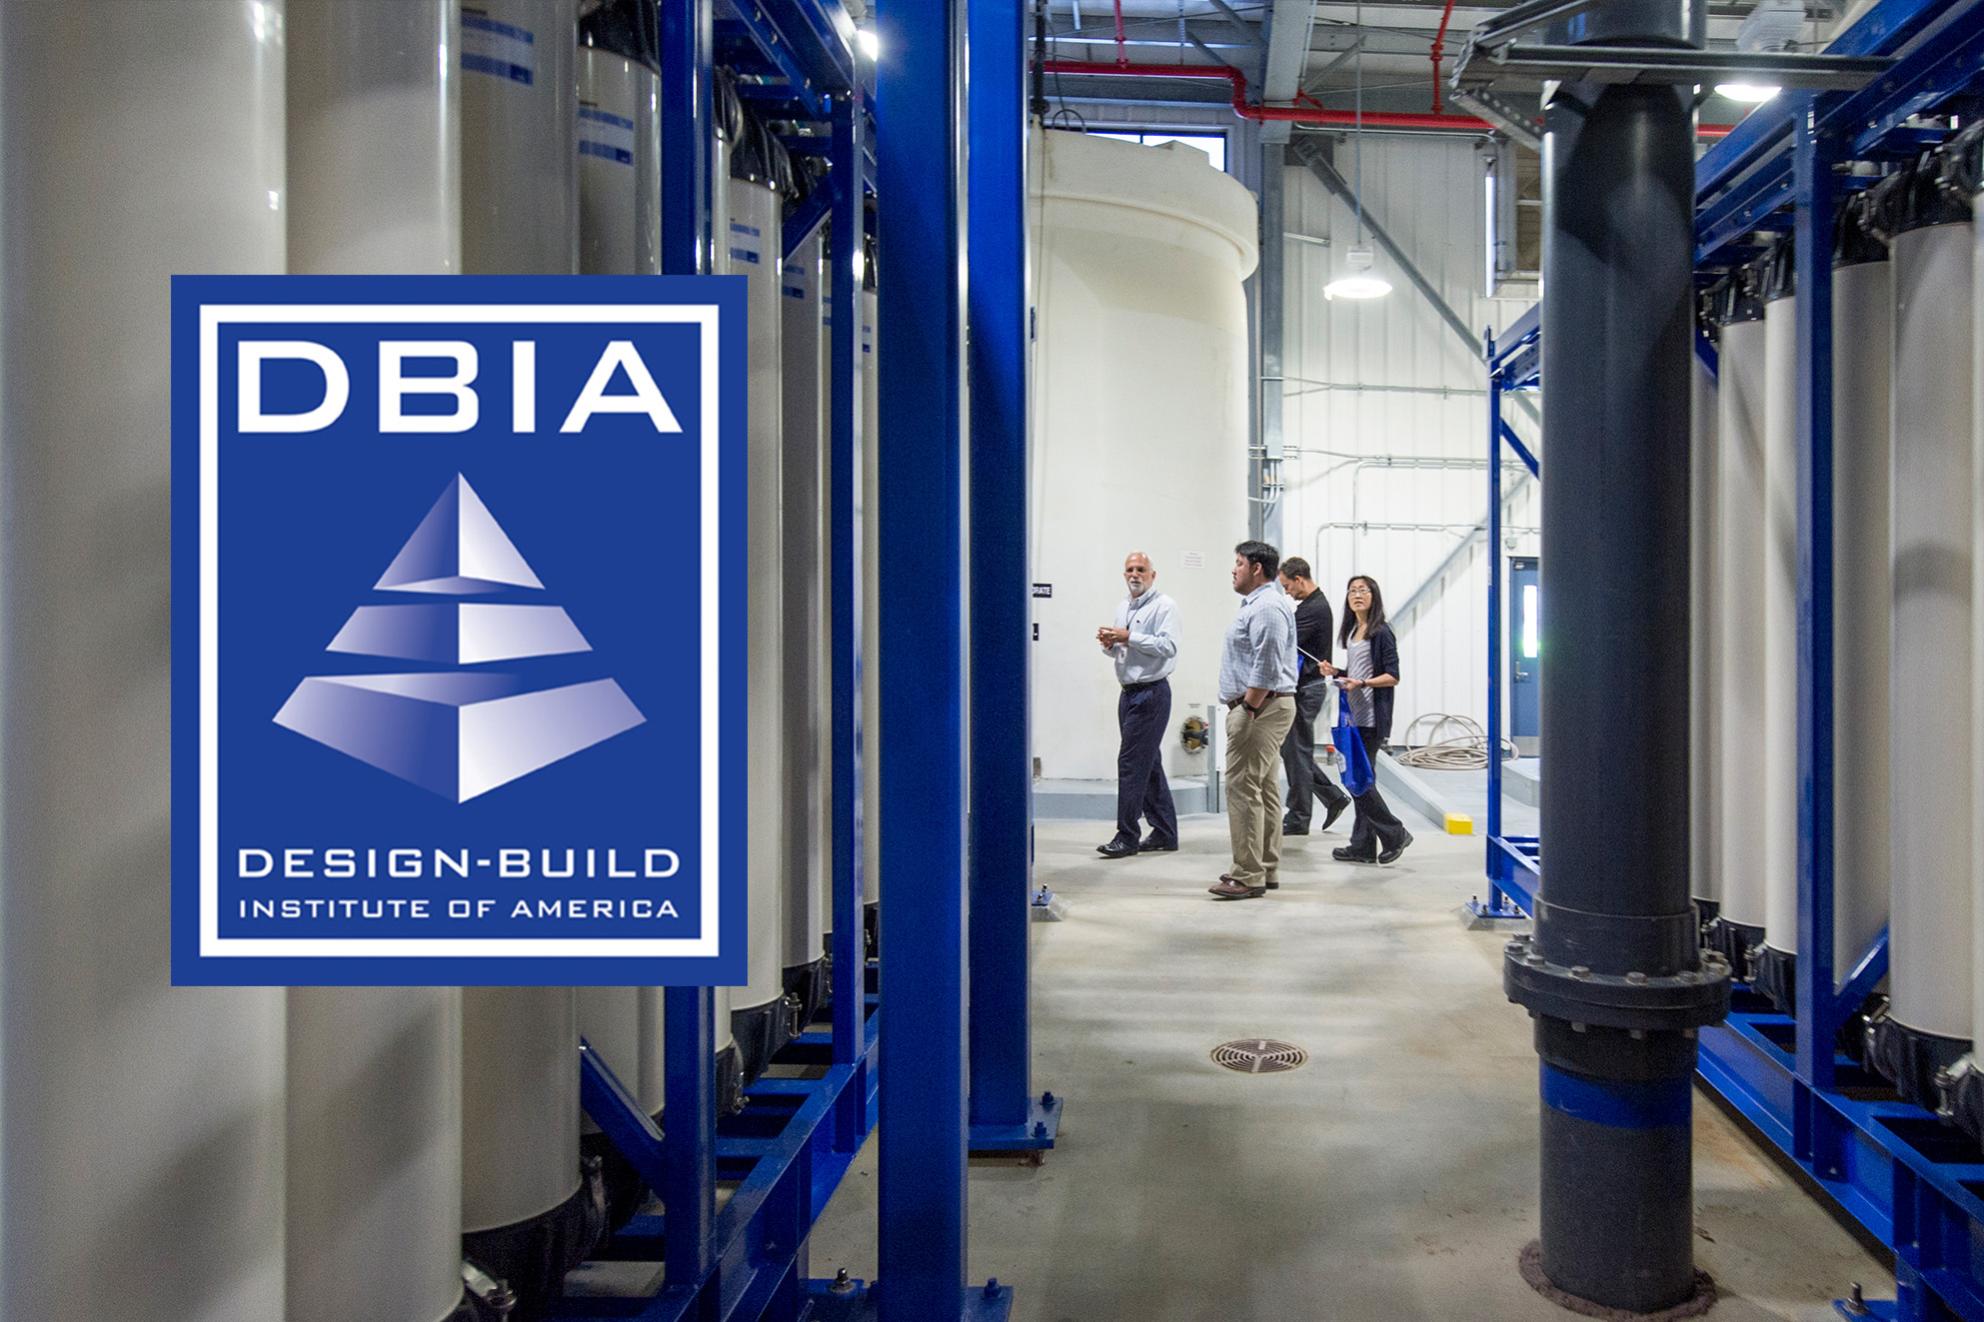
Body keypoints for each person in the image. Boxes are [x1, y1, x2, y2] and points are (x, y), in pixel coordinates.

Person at [1208, 540, 1298, 900]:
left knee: (1243, 788)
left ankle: (1248, 874)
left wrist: (1248, 707)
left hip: (1260, 708)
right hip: (1266, 706)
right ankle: (1264, 867)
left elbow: (1267, 661)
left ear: (1256, 568)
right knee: (1263, 788)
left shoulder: (1267, 608)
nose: (1234, 569)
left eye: (1239, 563)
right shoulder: (1263, 605)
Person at [1322, 575, 1413, 865]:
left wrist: (1361, 683)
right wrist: (1336, 672)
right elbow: (1354, 671)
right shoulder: (1353, 632)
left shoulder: (1381, 632)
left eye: (1363, 590)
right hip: (1353, 716)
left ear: (1374, 596)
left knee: (1359, 780)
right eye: (1352, 590)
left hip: (1371, 718)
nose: (1357, 594)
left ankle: (1395, 833)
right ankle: (1362, 846)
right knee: (1359, 780)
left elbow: (1392, 676)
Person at [1094, 551, 1180, 858]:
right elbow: (1123, 652)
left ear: (1152, 575)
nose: (1135, 574)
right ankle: (1165, 832)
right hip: (1128, 693)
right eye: (1129, 569)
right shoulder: (1123, 607)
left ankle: (1127, 835)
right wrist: (1111, 644)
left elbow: (1168, 646)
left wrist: (1129, 636)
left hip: (1151, 693)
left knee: (1131, 764)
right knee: (1148, 764)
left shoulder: (1164, 606)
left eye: (1141, 569)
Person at [1277, 558, 1351, 836]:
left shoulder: (1314, 609)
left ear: (1299, 578)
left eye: (1287, 586)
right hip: (1305, 686)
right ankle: (1332, 797)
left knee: (1296, 750)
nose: (1287, 592)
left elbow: (1283, 636)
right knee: (1293, 751)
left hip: (1307, 688)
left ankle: (1298, 817)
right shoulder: (1311, 605)